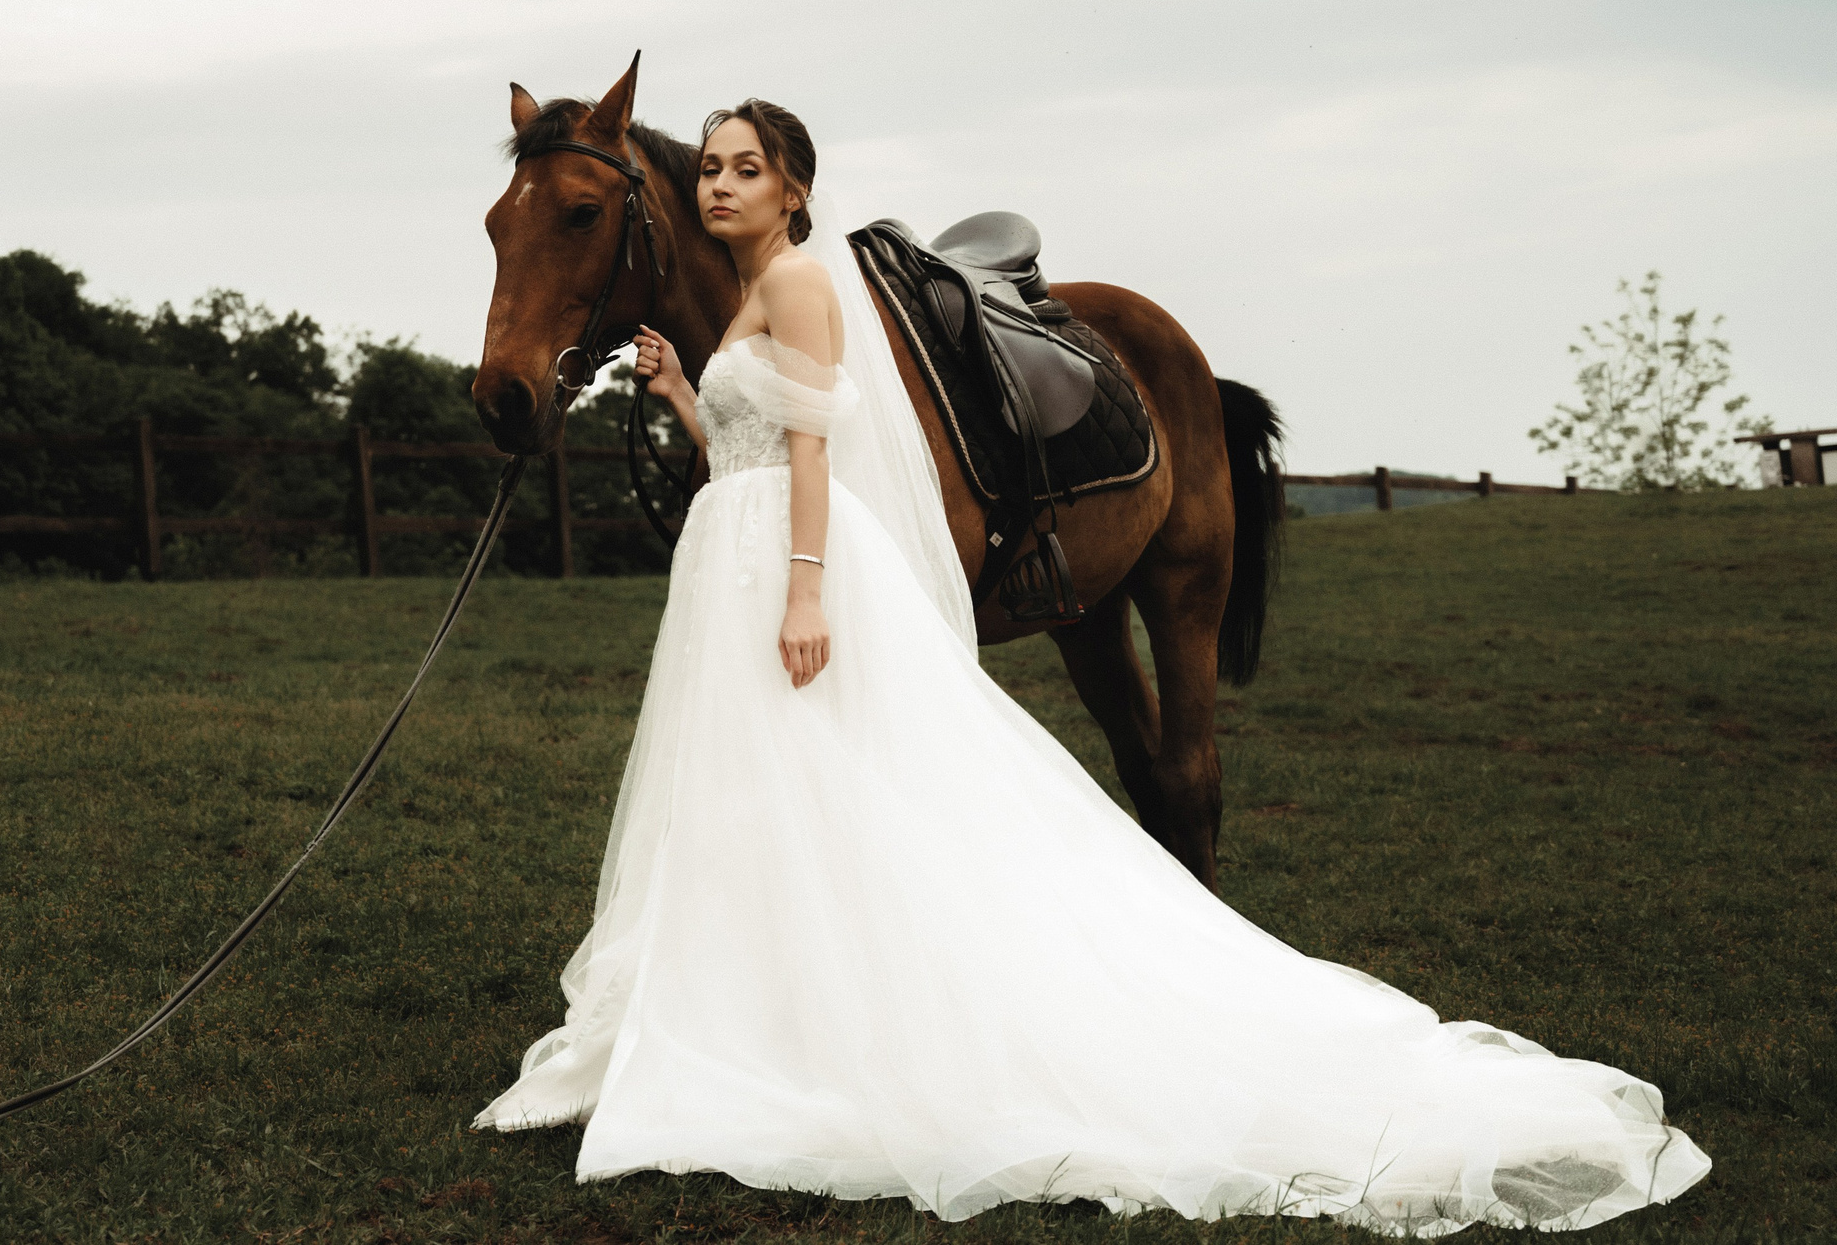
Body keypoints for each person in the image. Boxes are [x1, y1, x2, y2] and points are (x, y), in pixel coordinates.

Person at [474, 100, 1710, 1233]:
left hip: (777, 566)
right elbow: (751, 440)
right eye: (712, 168)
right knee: (756, 797)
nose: (719, 186)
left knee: (824, 785)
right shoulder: (743, 301)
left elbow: (814, 454)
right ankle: (763, 1010)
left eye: (746, 168)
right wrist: (688, 389)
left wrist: (806, 584)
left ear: (795, 188)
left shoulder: (799, 282)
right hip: (731, 562)